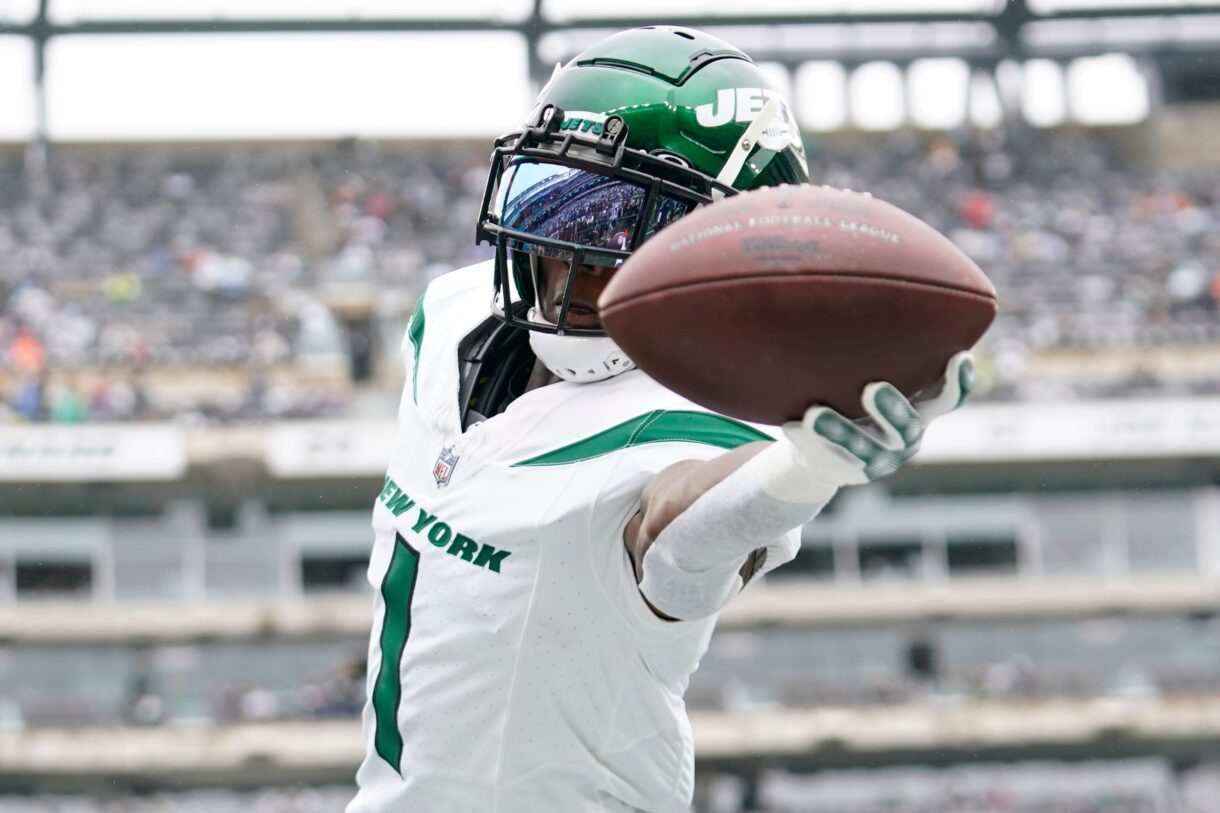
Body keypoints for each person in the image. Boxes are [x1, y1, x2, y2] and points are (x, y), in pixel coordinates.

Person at [347, 26, 973, 813]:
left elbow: (685, 535)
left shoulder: (696, 419)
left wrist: (801, 469)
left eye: (611, 219)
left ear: (719, 252)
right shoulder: (450, 316)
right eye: (551, 195)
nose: (558, 245)